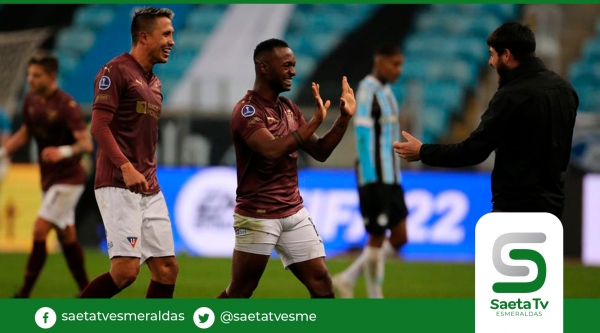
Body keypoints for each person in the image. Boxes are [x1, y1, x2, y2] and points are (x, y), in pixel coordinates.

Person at [394, 22, 578, 219]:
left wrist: (423, 151)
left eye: (492, 54)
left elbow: (473, 151)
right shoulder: (566, 91)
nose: (490, 62)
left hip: (515, 210)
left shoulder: (511, 96)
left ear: (506, 55)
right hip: (553, 211)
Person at [217, 38, 356, 298]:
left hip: (293, 212)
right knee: (241, 290)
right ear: (263, 68)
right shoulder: (247, 112)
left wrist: (343, 119)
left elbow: (321, 152)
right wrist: (314, 122)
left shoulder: (289, 109)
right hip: (258, 215)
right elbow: (271, 150)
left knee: (322, 283)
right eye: (287, 65)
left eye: (294, 65)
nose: (293, 71)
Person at [79, 7, 178, 298]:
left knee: (167, 269)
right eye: (166, 34)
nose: (172, 41)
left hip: (148, 185)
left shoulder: (155, 83)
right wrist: (124, 165)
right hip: (117, 183)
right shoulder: (115, 71)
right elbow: (98, 126)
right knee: (125, 272)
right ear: (144, 37)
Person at [0, 52, 92, 298]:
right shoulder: (30, 101)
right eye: (29, 74)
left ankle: (24, 293)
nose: (30, 79)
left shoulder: (66, 105)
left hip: (69, 178)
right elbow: (25, 132)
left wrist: (62, 151)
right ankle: (88, 292)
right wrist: (1, 153)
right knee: (67, 234)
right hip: (49, 179)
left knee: (40, 229)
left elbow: (86, 144)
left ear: (51, 76)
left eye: (36, 75)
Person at [332, 44, 408, 299]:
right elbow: (363, 136)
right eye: (394, 64)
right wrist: (370, 179)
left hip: (392, 176)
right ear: (379, 61)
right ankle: (376, 299)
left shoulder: (386, 91)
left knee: (399, 236)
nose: (399, 70)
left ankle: (347, 278)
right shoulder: (367, 90)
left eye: (400, 64)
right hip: (374, 175)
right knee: (377, 236)